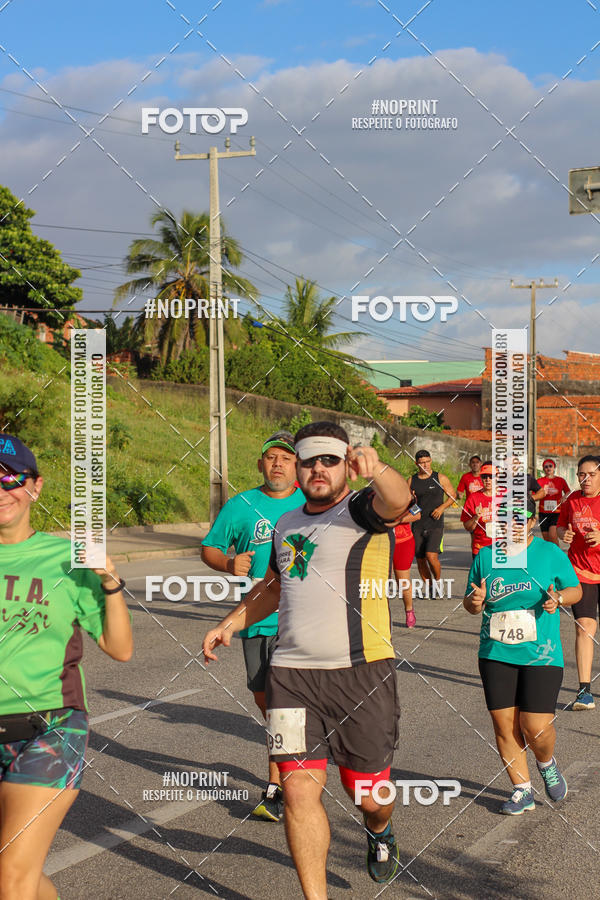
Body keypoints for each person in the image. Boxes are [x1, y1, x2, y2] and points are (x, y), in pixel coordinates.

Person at [202, 422, 411, 894]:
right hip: (292, 676)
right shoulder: (287, 524)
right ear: (298, 468)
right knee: (296, 790)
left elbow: (397, 501)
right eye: (309, 461)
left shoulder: (363, 509)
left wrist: (378, 469)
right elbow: (274, 587)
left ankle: (379, 829)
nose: (318, 469)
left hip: (361, 674)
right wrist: (230, 623)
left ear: (346, 465)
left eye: (329, 460)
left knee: (368, 795)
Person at [0, 435, 133, 900]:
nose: (1, 491)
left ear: (35, 487)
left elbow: (120, 648)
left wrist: (110, 582)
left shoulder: (67, 560)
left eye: (11, 478)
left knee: (10, 874)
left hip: (50, 727)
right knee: (16, 873)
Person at [201, 431, 304, 821]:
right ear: (261, 463)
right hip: (255, 619)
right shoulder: (241, 505)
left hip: (298, 621)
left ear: (297, 465)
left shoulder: (310, 505)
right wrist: (228, 563)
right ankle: (292, 758)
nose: (278, 464)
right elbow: (210, 547)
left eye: (286, 458)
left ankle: (277, 787)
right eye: (271, 457)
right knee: (266, 702)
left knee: (282, 706)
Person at [464, 498, 581, 815]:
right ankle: (522, 790)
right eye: (504, 518)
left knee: (535, 727)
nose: (511, 524)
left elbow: (575, 590)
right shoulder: (486, 556)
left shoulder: (549, 553)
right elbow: (471, 603)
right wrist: (475, 600)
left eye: (520, 518)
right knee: (504, 725)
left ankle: (546, 762)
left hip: (541, 654)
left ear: (532, 521)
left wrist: (559, 597)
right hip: (495, 651)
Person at [557, 454, 600, 710]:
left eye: (592, 474)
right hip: (582, 572)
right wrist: (565, 534)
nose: (586, 479)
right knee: (584, 627)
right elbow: (561, 527)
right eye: (581, 475)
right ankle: (584, 691)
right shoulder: (571, 500)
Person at [409, 450, 456, 591]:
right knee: (420, 559)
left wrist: (441, 508)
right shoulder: (411, 480)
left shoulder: (440, 478)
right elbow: (406, 502)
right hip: (417, 524)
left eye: (427, 462)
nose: (425, 465)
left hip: (435, 524)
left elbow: (452, 496)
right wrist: (412, 502)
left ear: (430, 461)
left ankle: (437, 581)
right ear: (416, 463)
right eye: (422, 463)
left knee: (431, 556)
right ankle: (430, 587)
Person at [460, 462, 502, 558]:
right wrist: (476, 517)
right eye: (484, 476)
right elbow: (467, 527)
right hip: (480, 548)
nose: (488, 480)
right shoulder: (473, 498)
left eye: (491, 476)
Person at [393, 505, 421, 628]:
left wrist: (396, 520)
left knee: (403, 582)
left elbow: (417, 515)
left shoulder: (408, 496)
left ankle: (409, 610)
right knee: (381, 581)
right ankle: (381, 614)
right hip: (381, 542)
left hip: (403, 542)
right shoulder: (375, 495)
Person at [538, 459, 570, 545]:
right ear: (543, 469)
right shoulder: (540, 481)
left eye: (550, 466)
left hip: (556, 512)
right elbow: (534, 495)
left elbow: (568, 491)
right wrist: (541, 494)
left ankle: (557, 553)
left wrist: (565, 497)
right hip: (543, 513)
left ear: (554, 467)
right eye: (546, 467)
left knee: (552, 535)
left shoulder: (560, 480)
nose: (548, 468)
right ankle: (552, 553)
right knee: (547, 539)